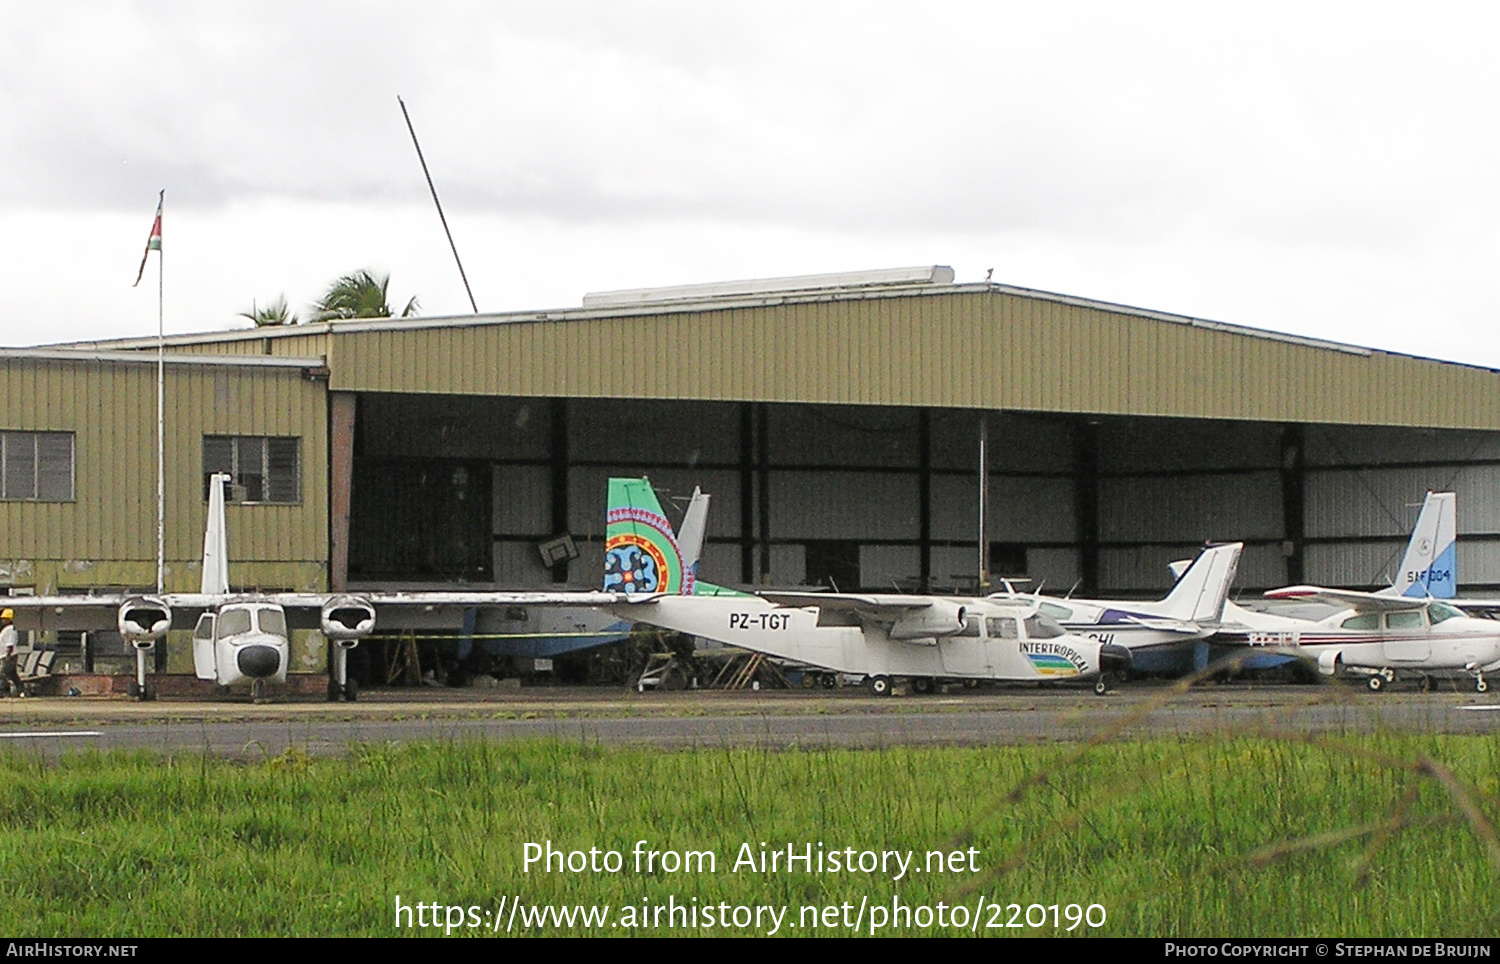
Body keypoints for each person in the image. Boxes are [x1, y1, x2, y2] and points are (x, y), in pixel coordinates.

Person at [0, 609, 18, 697]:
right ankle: (21, 690)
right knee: (13, 675)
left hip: (8, 656)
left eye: (4, 619)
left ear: (9, 619)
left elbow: (10, 644)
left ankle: (3, 692)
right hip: (5, 655)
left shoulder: (10, 630)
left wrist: (8, 655)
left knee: (3, 674)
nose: (2, 621)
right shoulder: (6, 629)